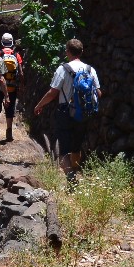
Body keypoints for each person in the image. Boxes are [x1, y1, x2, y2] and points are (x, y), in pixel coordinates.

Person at [31, 38, 98, 173]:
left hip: (65, 112)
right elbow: (98, 93)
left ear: (67, 52)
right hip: (84, 113)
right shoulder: (90, 70)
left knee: (63, 150)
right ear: (81, 52)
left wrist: (39, 105)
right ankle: (75, 172)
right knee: (76, 147)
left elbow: (52, 93)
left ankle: (70, 178)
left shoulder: (63, 69)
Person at [0, 32, 23, 143]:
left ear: (2, 42)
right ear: (12, 42)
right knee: (10, 108)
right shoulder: (16, 55)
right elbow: (21, 72)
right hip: (12, 86)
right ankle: (9, 131)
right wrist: (21, 84)